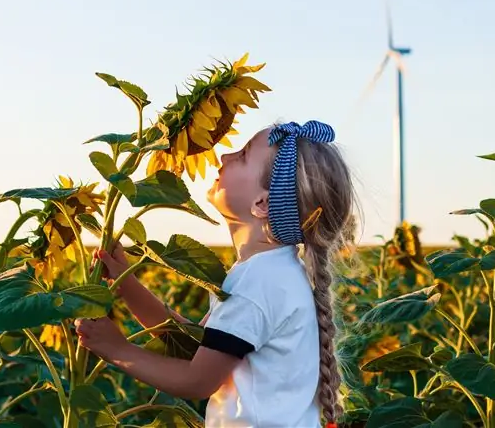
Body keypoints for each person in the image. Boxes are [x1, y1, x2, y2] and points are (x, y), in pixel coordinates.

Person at [75, 120, 358, 428]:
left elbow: (197, 380)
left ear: (262, 203)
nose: (224, 157)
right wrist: (127, 285)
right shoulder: (273, 272)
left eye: (243, 155)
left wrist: (117, 349)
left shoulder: (258, 284)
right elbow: (199, 348)